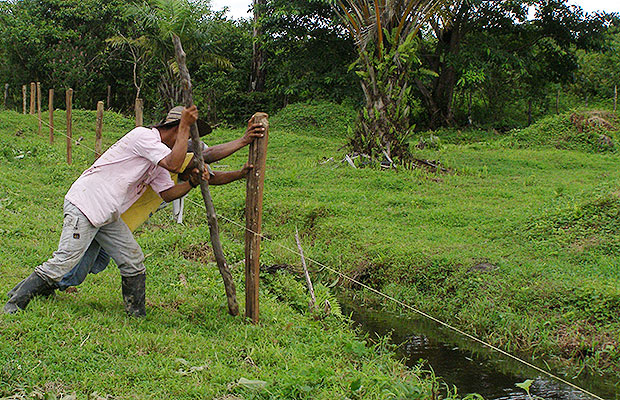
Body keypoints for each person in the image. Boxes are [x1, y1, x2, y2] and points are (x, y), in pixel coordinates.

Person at [4, 106, 265, 317]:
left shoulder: (159, 161)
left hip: (108, 213)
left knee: (133, 259)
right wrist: (187, 126)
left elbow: (167, 193)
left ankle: (136, 312)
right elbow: (177, 161)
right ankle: (16, 302)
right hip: (87, 203)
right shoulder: (144, 137)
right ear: (174, 129)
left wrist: (190, 183)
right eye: (185, 136)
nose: (187, 145)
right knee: (66, 261)